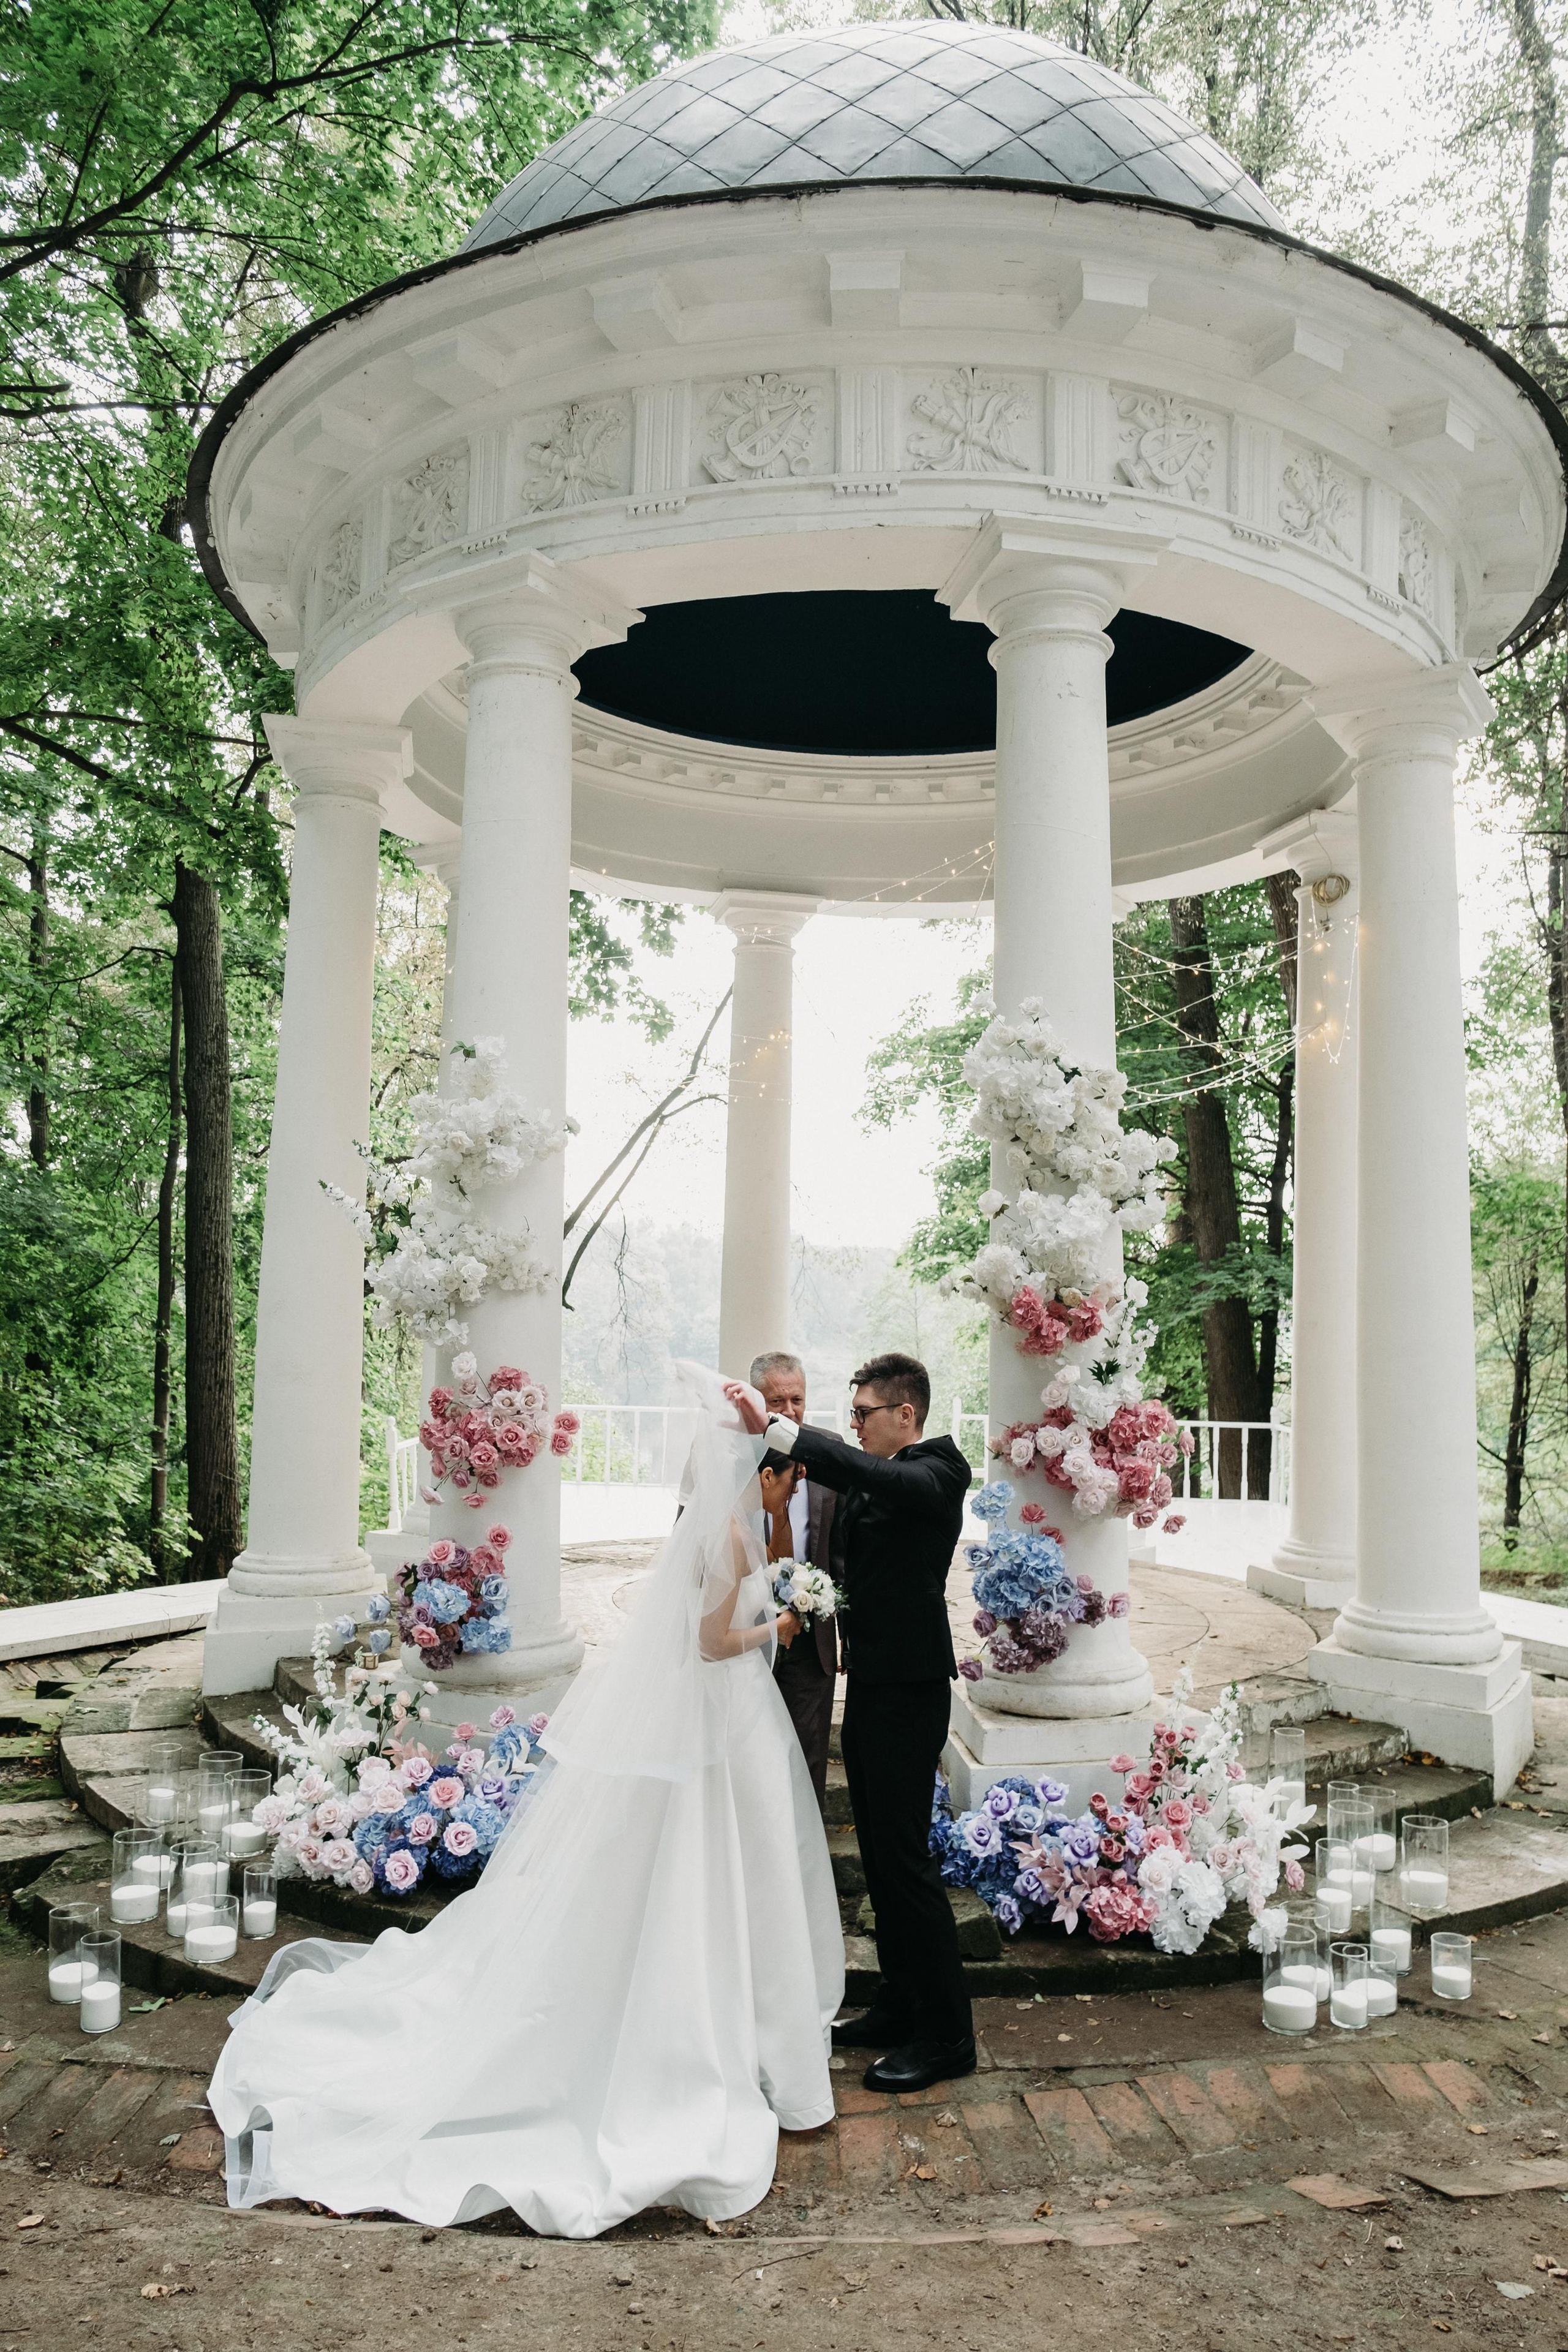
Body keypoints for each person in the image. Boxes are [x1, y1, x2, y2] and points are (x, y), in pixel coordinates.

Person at [206, 1365, 843, 2237]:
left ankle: (733, 2029)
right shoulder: (731, 1535)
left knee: (716, 1866)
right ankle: (738, 2043)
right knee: (730, 1866)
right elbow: (709, 1641)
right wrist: (775, 1626)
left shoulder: (708, 1524)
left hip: (723, 1720)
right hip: (728, 1712)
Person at [726, 1351, 976, 2096]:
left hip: (913, 1692)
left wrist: (789, 1428)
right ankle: (901, 2004)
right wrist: (750, 1437)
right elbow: (835, 1483)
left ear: (906, 1414)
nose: (854, 1424)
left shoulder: (937, 1471)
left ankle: (948, 2036)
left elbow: (867, 1473)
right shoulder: (882, 1470)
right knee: (875, 1854)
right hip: (869, 1685)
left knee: (905, 1862)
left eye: (864, 1412)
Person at [751, 1349, 838, 1811]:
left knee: (807, 1757)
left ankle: (806, 1866)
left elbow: (843, 1550)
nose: (789, 1413)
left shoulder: (830, 1449)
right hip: (741, 1630)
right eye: (776, 1402)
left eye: (797, 1400)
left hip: (810, 1634)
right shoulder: (728, 1453)